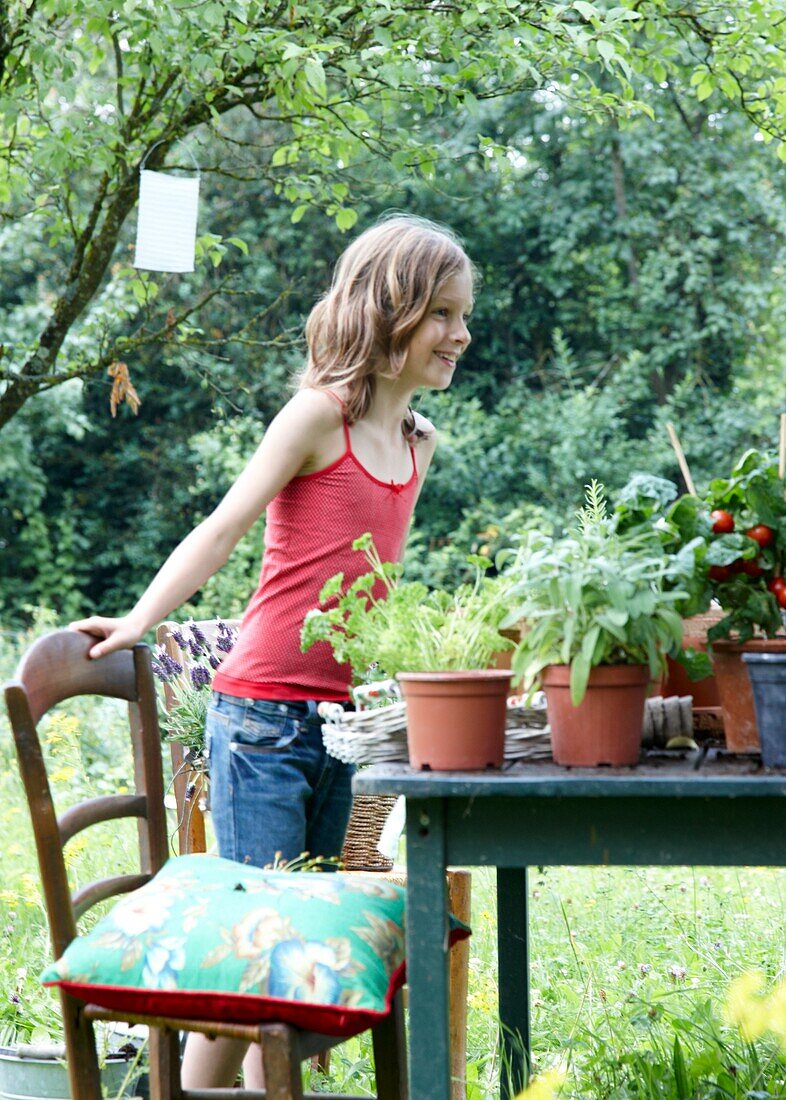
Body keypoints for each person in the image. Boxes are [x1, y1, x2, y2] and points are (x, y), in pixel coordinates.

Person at [70, 212, 474, 1087]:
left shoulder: (418, 445)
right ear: (391, 311)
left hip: (339, 730)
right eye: (443, 314)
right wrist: (140, 621)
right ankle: (169, 1087)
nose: (460, 334)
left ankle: (182, 1087)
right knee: (259, 957)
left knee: (292, 956)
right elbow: (221, 532)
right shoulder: (315, 417)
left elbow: (374, 587)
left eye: (463, 315)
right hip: (260, 720)